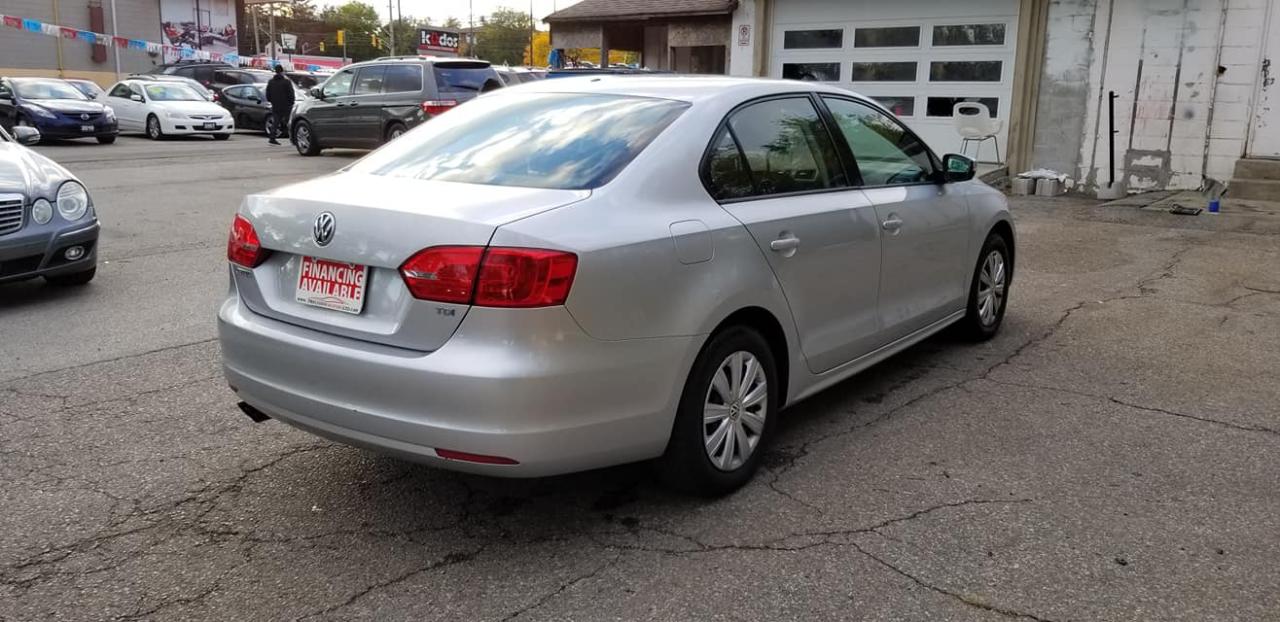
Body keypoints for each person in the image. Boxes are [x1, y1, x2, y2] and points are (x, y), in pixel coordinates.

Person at [265, 64, 295, 145]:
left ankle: (272, 138)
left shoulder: (271, 82)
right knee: (289, 121)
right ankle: (293, 138)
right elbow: (291, 93)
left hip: (276, 105)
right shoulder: (286, 82)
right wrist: (291, 102)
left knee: (276, 122)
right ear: (282, 71)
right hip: (286, 105)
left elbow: (268, 94)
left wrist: (272, 101)